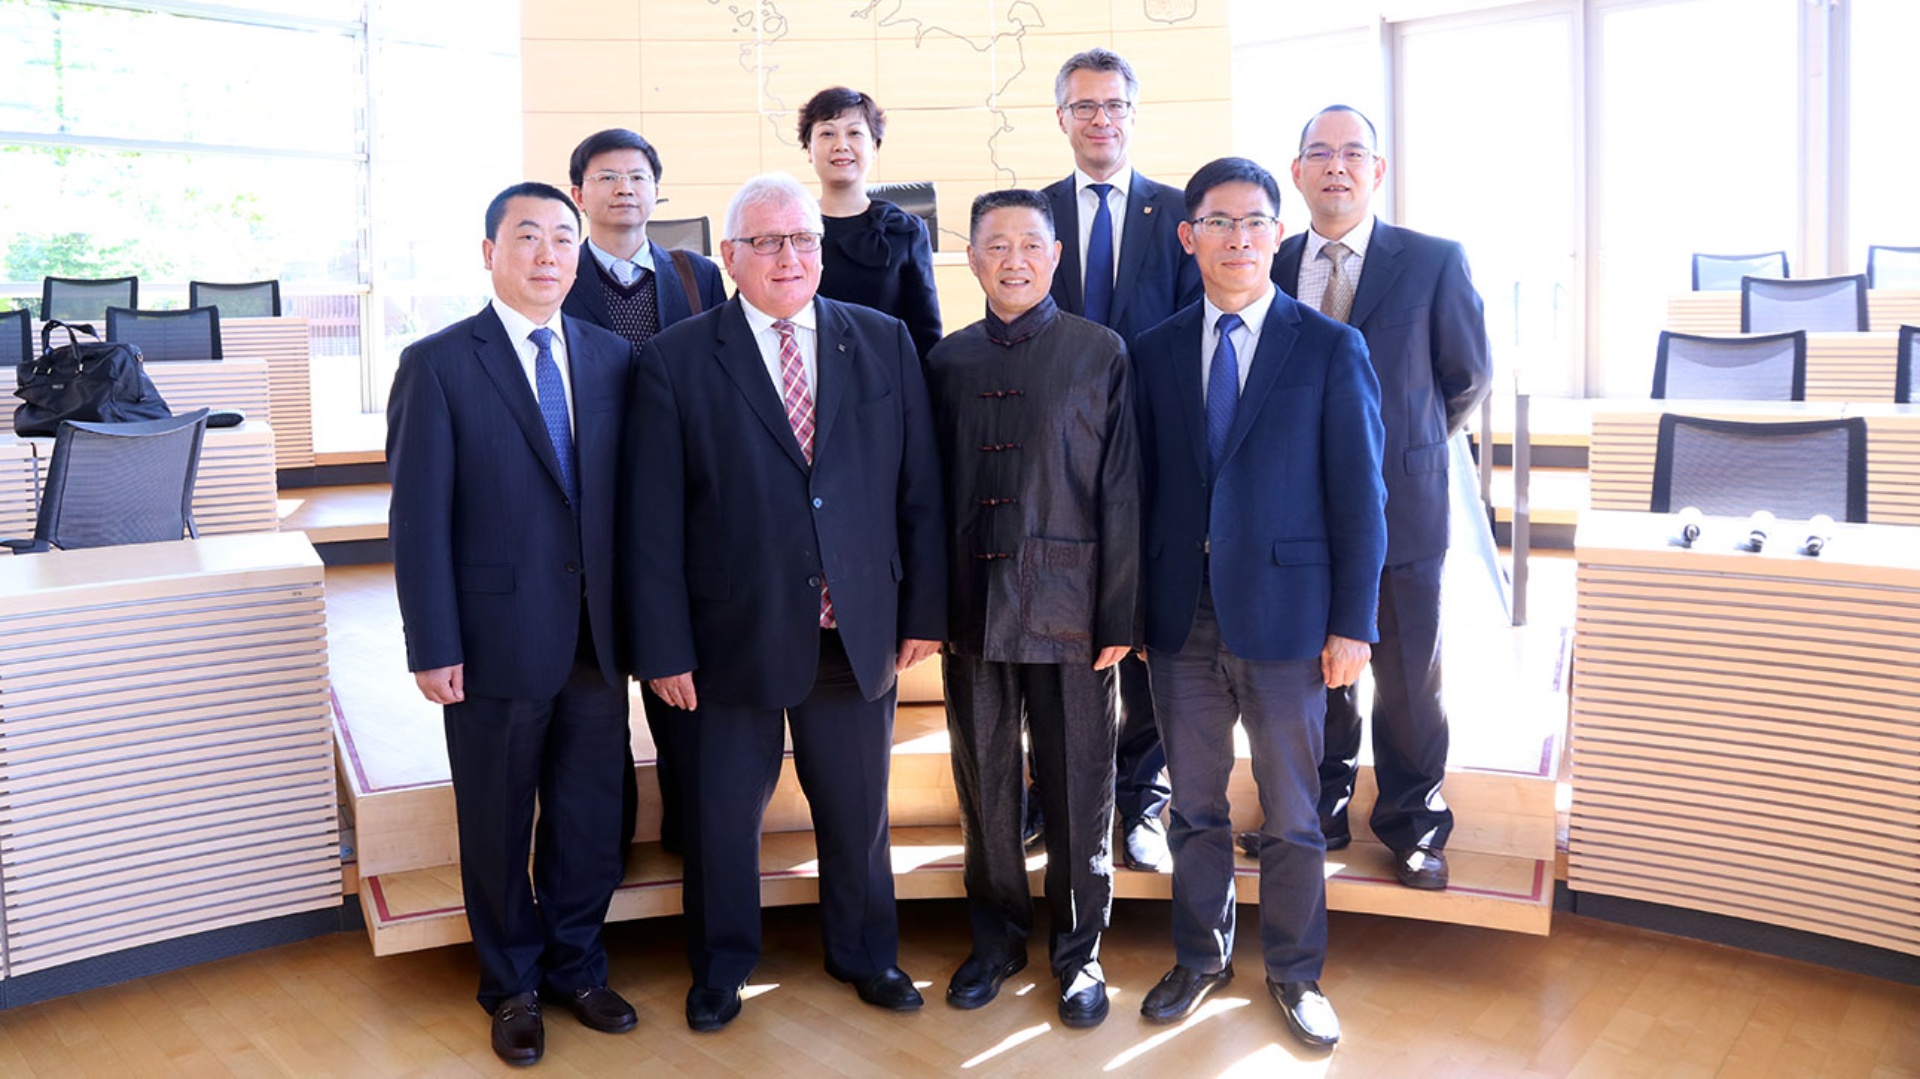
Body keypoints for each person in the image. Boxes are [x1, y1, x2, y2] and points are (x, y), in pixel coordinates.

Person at [625, 172, 947, 1033]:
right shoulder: (675, 359)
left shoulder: (881, 340)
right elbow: (651, 522)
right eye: (766, 241)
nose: (788, 256)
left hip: (855, 627)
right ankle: (721, 965)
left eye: (803, 239)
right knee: (722, 820)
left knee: (858, 811)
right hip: (727, 636)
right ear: (731, 256)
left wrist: (924, 609)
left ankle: (866, 952)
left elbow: (919, 487)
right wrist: (663, 647)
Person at [1130, 157, 1385, 1050]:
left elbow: (1361, 498)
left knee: (1292, 812)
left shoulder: (1329, 348)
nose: (1237, 238)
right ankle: (1200, 957)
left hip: (1289, 619)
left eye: (1253, 222)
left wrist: (1353, 622)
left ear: (1278, 235)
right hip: (1181, 617)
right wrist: (1134, 610)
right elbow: (1141, 492)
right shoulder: (1154, 351)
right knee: (1195, 805)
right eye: (1219, 222)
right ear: (1188, 236)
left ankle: (1295, 970)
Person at [386, 182, 639, 1065]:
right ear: (489, 251)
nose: (547, 254)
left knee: (588, 815)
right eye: (527, 236)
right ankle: (512, 984)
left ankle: (577, 966)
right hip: (492, 642)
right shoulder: (438, 363)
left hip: (596, 638)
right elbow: (418, 520)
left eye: (563, 238)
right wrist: (433, 644)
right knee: (497, 823)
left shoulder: (612, 357)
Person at [1246, 105, 1492, 891]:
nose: (1337, 166)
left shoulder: (1433, 261)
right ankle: (1317, 809)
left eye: (1353, 153)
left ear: (1377, 171)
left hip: (1402, 507)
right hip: (1296, 516)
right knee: (1314, 672)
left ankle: (1415, 824)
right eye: (1319, 154)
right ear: (1296, 173)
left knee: (1408, 676)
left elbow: (1467, 376)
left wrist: (1398, 448)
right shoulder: (1269, 259)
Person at [924, 189, 1139, 1028]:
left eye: (1030, 244)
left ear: (1054, 256)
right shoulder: (946, 361)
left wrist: (1119, 615)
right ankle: (997, 936)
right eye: (996, 244)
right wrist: (929, 606)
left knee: (1081, 780)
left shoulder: (1100, 351)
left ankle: (1080, 950)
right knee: (984, 779)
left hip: (1073, 607)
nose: (1014, 259)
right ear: (973, 259)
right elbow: (924, 496)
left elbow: (1122, 490)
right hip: (972, 605)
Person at [1037, 46, 1203, 874]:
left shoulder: (1179, 214)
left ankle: (1143, 800)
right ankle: (1054, 795)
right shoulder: (1031, 213)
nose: (1100, 119)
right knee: (1056, 630)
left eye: (1114, 105)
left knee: (1145, 633)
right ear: (1061, 117)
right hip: (1056, 461)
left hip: (1156, 455)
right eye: (1084, 106)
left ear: (1133, 115)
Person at [561, 127, 728, 860]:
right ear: (579, 194)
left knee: (685, 683)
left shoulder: (697, 276)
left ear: (657, 190)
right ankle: (610, 839)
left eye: (637, 176)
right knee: (595, 694)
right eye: (606, 177)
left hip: (684, 511)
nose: (623, 188)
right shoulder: (556, 273)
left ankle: (692, 830)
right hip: (587, 505)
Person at [799, 86, 943, 361]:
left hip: (883, 377)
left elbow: (925, 335)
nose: (841, 145)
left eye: (854, 133)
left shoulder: (906, 231)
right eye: (827, 133)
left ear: (874, 147)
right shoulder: (789, 230)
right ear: (808, 148)